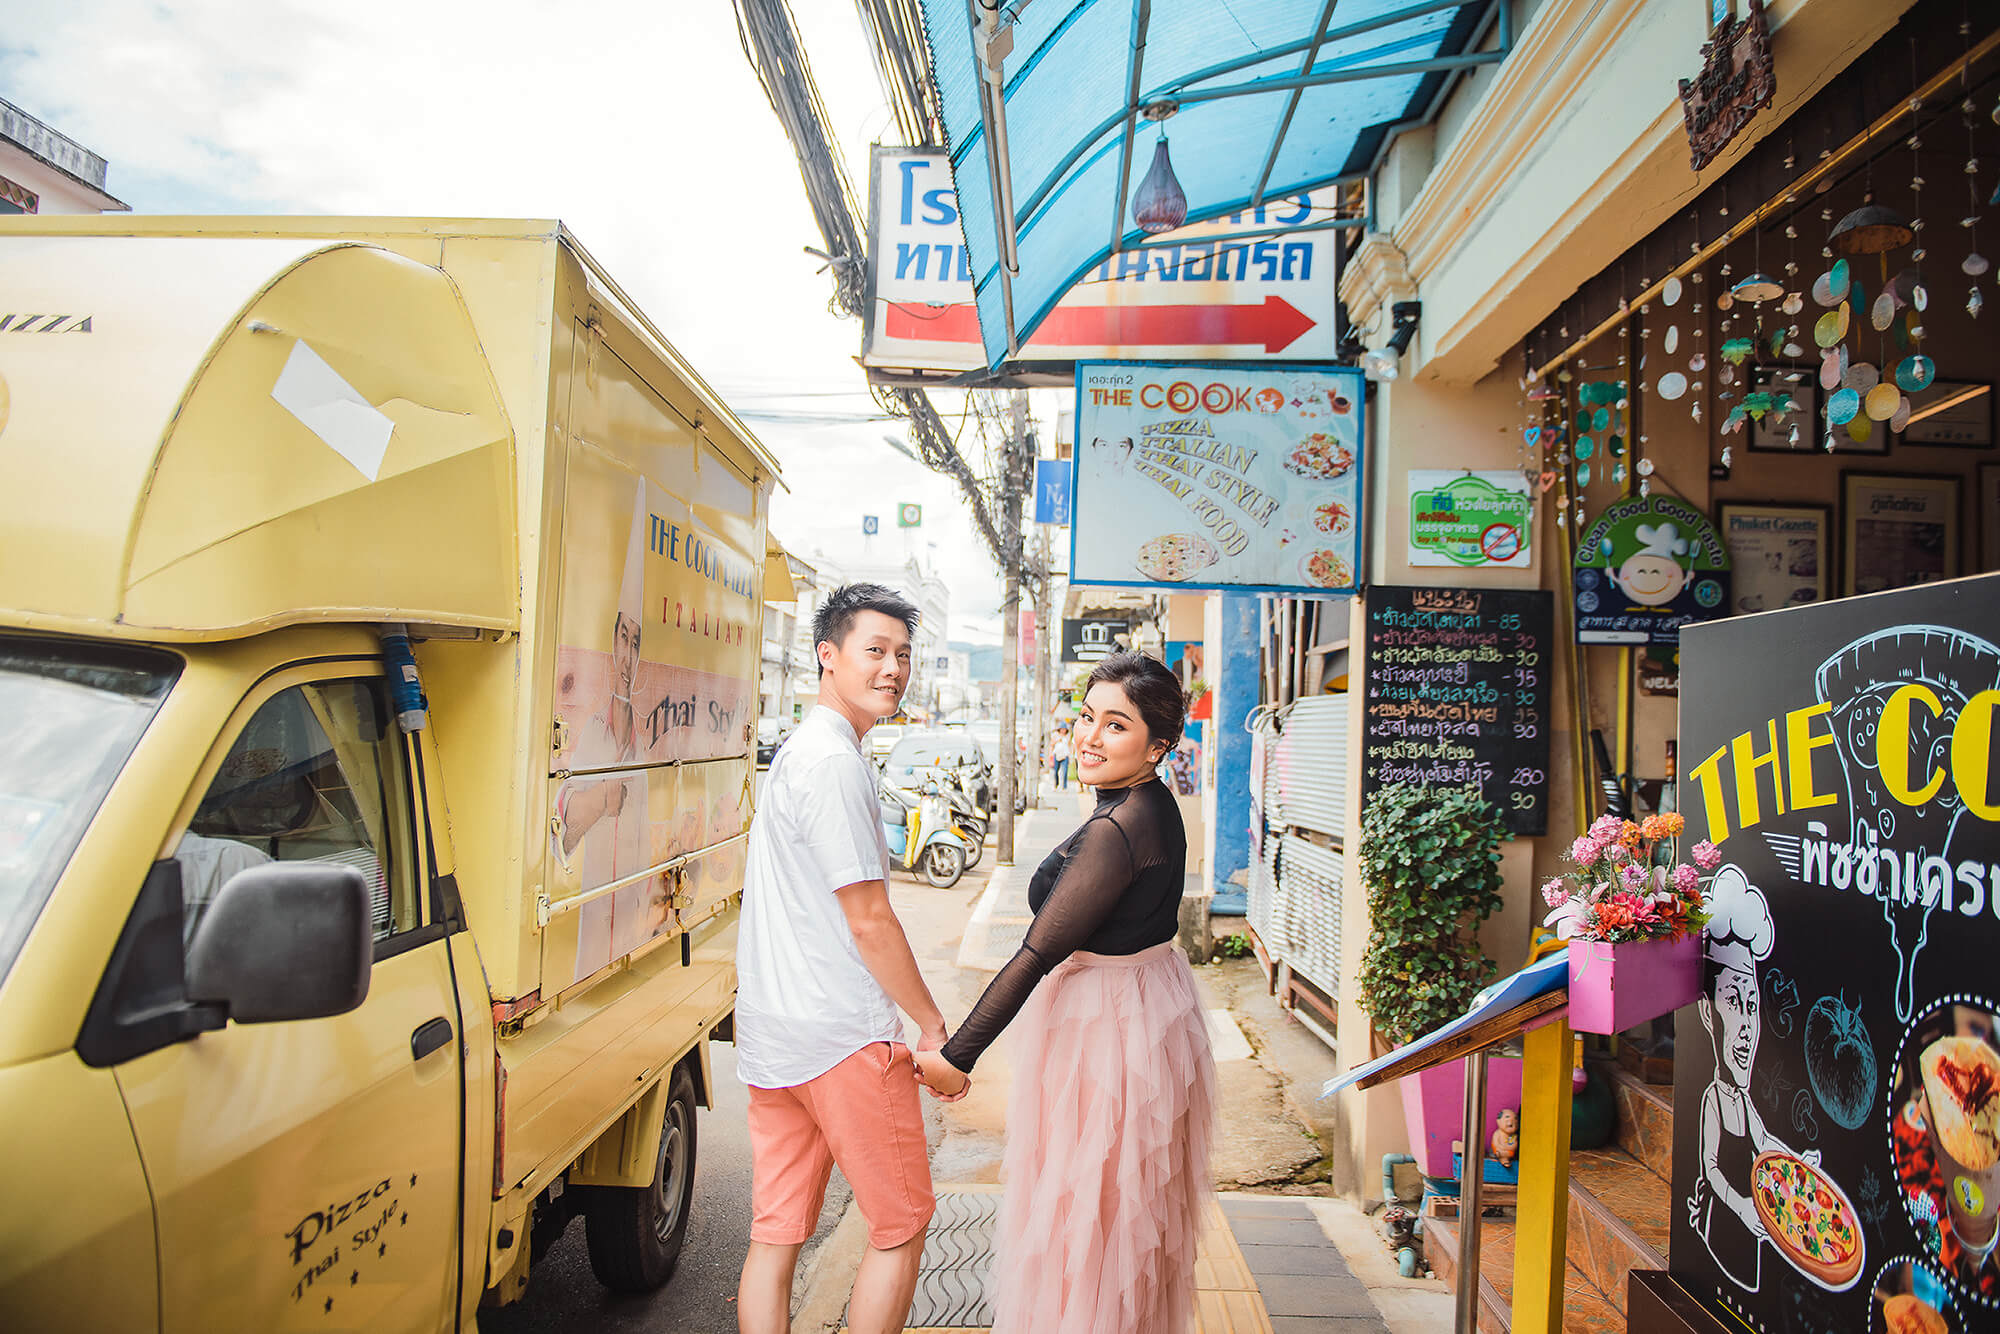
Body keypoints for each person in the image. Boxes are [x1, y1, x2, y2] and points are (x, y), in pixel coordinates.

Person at [914, 652, 1216, 1334]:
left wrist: (956, 1057)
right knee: (1115, 1212)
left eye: (1116, 725)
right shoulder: (1146, 805)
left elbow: (1035, 953)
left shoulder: (1118, 830)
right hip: (1145, 1009)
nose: (1089, 736)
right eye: (1087, 717)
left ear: (1158, 746)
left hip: (1108, 1032)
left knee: (1090, 1216)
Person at [735, 583, 960, 1334]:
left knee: (777, 1233)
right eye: (875, 651)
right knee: (900, 1225)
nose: (893, 668)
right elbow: (868, 920)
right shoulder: (834, 762)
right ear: (828, 656)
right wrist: (932, 1028)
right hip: (841, 1039)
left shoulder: (803, 752)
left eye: (902, 654)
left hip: (776, 1039)